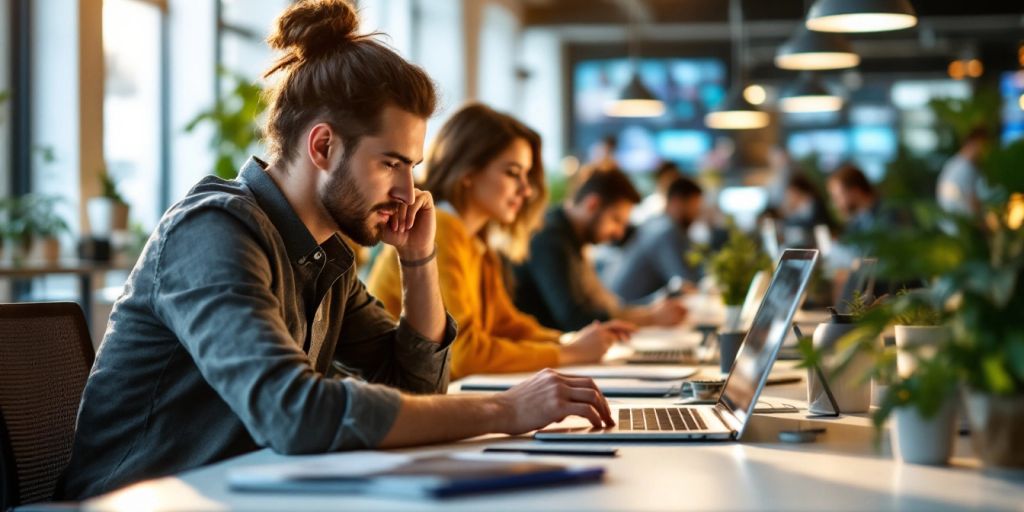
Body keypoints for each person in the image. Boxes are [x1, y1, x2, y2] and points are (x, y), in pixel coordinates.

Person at [58, 0, 613, 500]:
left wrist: (418, 261)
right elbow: (293, 413)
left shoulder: (322, 258)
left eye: (411, 167)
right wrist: (506, 409)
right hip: (135, 501)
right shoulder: (213, 233)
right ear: (322, 145)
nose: (408, 191)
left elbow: (418, 386)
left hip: (241, 494)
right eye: (391, 163)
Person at [367, 104, 632, 379]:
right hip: (395, 399)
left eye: (526, 176)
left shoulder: (475, 242)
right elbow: (463, 354)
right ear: (468, 170)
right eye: (512, 172)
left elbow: (507, 326)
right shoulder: (439, 230)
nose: (526, 190)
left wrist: (571, 341)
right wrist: (570, 353)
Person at [514, 169, 689, 332]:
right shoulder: (549, 237)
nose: (619, 233)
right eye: (616, 220)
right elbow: (575, 319)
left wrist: (651, 309)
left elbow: (603, 307)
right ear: (592, 204)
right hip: (539, 358)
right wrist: (650, 317)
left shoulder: (573, 238)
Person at [606, 176, 705, 303]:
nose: (697, 213)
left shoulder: (657, 222)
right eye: (694, 206)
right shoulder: (665, 231)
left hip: (625, 301)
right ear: (676, 202)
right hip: (628, 308)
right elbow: (684, 281)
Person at [937, 126, 991, 217]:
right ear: (973, 143)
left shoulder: (954, 164)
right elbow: (974, 205)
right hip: (962, 227)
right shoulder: (966, 169)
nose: (986, 151)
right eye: (984, 145)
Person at [780, 173, 835, 248]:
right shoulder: (801, 205)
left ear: (797, 190)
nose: (790, 196)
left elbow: (811, 224)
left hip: (822, 242)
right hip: (814, 241)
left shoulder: (813, 203)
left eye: (791, 192)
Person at [826, 164, 880, 237]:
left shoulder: (888, 218)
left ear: (855, 192)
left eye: (837, 197)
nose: (835, 203)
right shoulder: (856, 223)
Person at [629, 161, 683, 225]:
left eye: (675, 178)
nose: (671, 182)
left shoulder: (679, 205)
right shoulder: (652, 203)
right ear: (661, 179)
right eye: (669, 178)